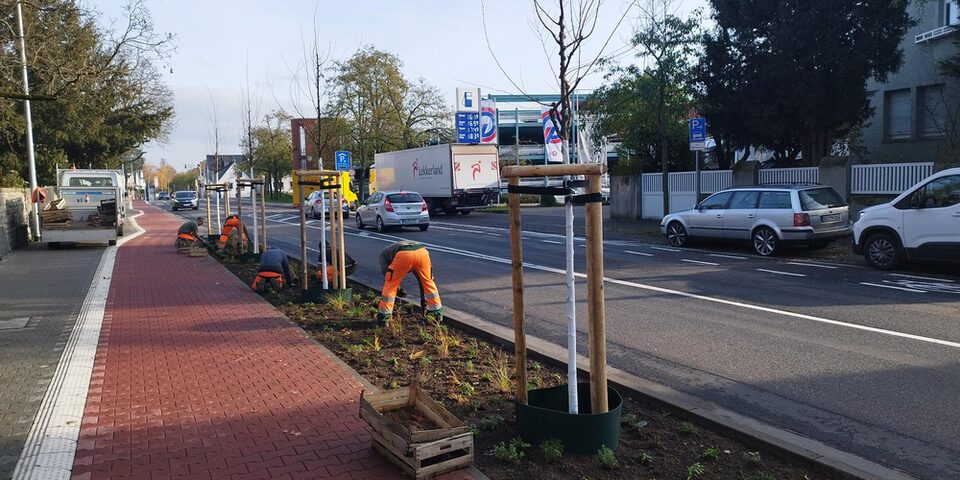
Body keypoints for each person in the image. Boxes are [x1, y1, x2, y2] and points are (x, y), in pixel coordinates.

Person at [376, 240, 442, 325]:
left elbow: (388, 278)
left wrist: (398, 289)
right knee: (428, 282)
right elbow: (421, 282)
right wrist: (423, 303)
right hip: (422, 252)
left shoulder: (383, 257)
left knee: (390, 285)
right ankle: (436, 315)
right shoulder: (390, 253)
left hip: (404, 254)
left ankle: (384, 319)